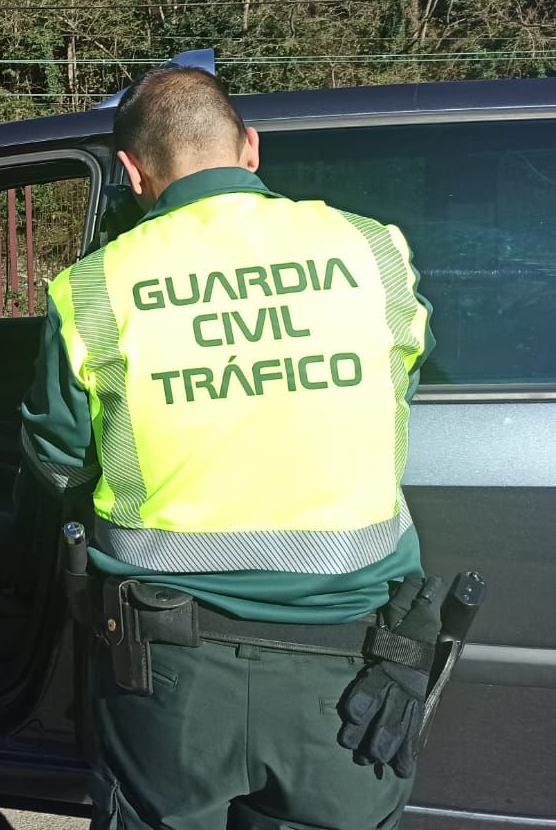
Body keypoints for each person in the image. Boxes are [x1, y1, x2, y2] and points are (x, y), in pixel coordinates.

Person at [22, 66, 436, 830]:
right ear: (249, 146)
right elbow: (397, 383)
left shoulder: (94, 288)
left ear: (131, 170)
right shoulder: (374, 252)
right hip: (350, 670)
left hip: (167, 676)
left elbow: (55, 456)